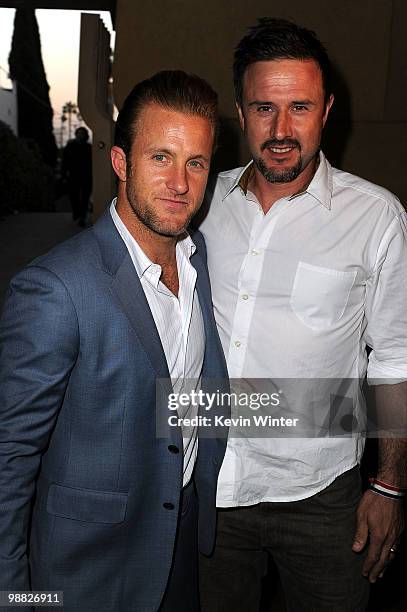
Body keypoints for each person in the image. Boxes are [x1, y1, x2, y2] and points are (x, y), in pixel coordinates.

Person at [198, 18, 407, 612]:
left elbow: (395, 357)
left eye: (300, 107)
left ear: (327, 110)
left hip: (322, 497)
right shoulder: (200, 205)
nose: (282, 130)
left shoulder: (378, 219)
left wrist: (389, 485)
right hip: (207, 485)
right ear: (240, 112)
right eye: (264, 108)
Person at [0, 70, 229, 612]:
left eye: (195, 162)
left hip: (181, 552)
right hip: (86, 574)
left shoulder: (200, 264)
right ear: (121, 163)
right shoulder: (55, 288)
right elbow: (9, 460)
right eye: (161, 158)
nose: (180, 183)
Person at [61, 126, 92, 226]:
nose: (80, 135)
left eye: (82, 133)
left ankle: (82, 216)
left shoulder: (89, 148)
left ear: (85, 135)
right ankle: (77, 213)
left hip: (86, 176)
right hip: (73, 176)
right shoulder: (70, 146)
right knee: (73, 196)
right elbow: (64, 162)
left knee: (85, 198)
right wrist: (63, 174)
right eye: (79, 133)